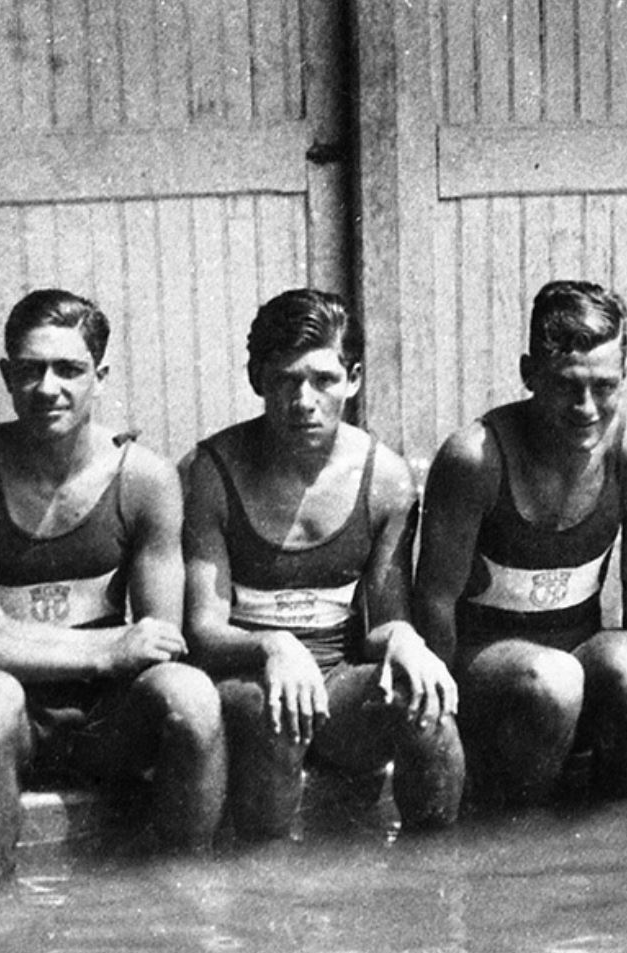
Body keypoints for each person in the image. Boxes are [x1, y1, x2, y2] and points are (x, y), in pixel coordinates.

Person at [0, 289, 225, 884]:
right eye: (30, 369)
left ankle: (189, 899)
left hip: (109, 722)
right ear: (7, 375)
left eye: (69, 369)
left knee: (191, 697)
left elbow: (161, 642)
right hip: (13, 723)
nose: (48, 387)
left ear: (100, 375)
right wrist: (105, 649)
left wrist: (4, 628)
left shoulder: (144, 478)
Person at [182, 289, 463, 839]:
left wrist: (406, 641)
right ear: (258, 379)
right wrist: (273, 645)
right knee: (276, 715)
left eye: (323, 380)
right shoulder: (211, 472)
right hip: (245, 684)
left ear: (353, 379)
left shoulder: (384, 477)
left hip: (335, 685)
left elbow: (385, 619)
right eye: (286, 379)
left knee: (426, 708)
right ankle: (271, 900)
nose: (303, 400)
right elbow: (202, 629)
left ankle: (434, 892)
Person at [415, 281, 627, 806]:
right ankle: (515, 828)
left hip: (577, 655)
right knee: (552, 680)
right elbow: (435, 600)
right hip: (488, 665)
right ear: (529, 374)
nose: (586, 407)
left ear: (623, 377)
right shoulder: (476, 458)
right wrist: (442, 726)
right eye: (566, 386)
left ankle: (607, 824)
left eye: (604, 388)